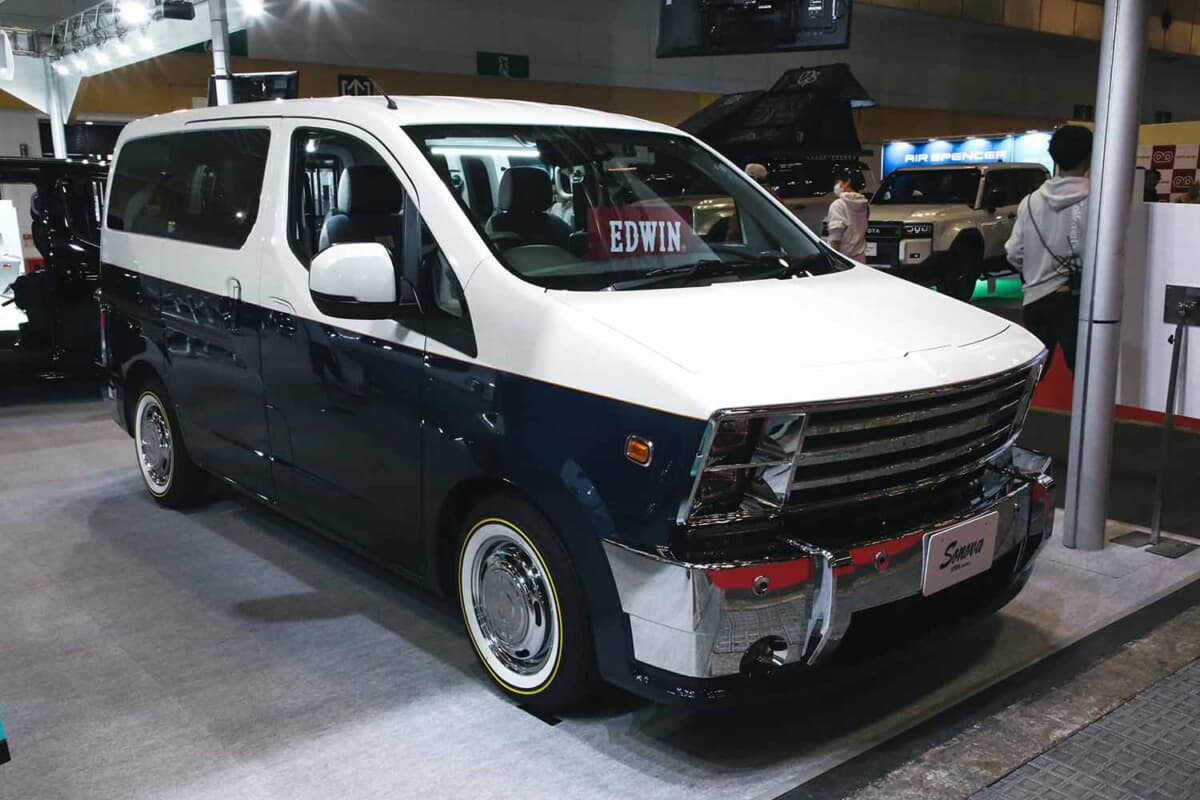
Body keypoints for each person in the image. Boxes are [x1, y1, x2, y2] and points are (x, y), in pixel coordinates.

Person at [1005, 124, 1093, 375]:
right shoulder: (1098, 200)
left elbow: (1014, 251)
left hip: (1036, 298)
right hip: (1079, 301)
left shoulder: (1030, 201)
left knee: (1031, 377)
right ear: (1089, 156)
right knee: (1086, 376)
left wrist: (1036, 270)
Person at [825, 168, 870, 262]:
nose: (836, 185)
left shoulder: (838, 205)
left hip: (843, 259)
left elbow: (836, 237)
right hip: (860, 258)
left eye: (838, 182)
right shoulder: (863, 204)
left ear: (847, 182)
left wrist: (834, 260)